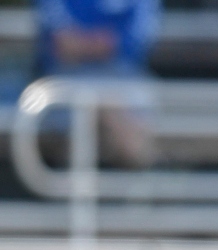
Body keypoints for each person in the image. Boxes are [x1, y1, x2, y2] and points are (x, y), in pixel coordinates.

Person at [35, 0, 161, 168]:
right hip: (64, 78)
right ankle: (148, 177)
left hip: (124, 77)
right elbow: (63, 44)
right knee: (81, 115)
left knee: (129, 122)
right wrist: (101, 43)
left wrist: (85, 44)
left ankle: (141, 176)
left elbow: (133, 43)